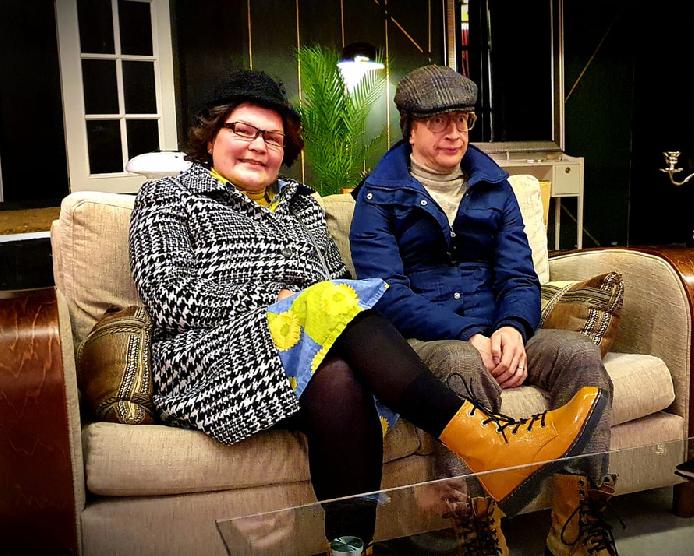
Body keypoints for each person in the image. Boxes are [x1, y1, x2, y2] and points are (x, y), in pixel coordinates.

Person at [128, 69, 606, 554]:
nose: (258, 146)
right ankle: (489, 442)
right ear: (211, 136)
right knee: (337, 307)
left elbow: (341, 285)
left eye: (272, 137)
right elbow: (168, 295)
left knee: (340, 375)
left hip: (307, 357)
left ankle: (351, 546)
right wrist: (286, 307)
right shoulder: (168, 197)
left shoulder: (300, 205)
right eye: (243, 131)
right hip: (213, 357)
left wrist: (312, 310)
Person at [350, 64, 619, 556]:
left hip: (499, 328)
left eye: (462, 120)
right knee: (460, 362)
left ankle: (576, 525)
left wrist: (513, 328)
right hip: (427, 339)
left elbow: (519, 275)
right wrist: (469, 334)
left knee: (579, 354)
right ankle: (477, 529)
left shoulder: (496, 186)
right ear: (410, 128)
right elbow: (386, 293)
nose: (454, 133)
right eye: (438, 122)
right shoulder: (378, 197)